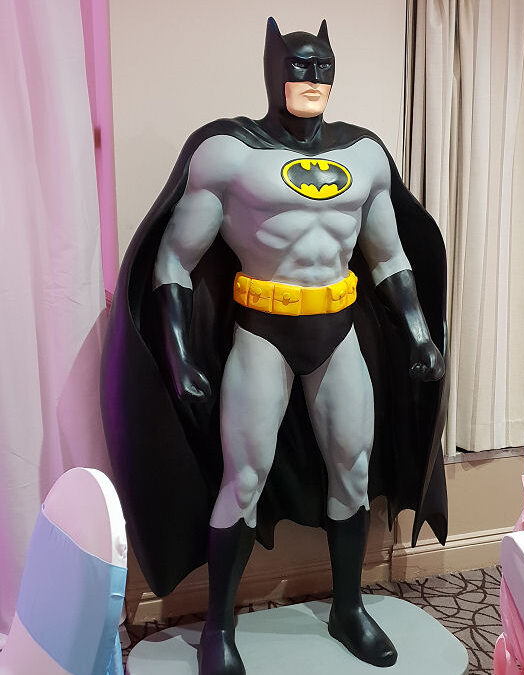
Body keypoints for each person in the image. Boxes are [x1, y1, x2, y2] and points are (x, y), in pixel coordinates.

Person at [101, 17, 447, 675]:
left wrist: (419, 334)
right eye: (299, 65)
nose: (312, 78)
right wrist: (177, 354)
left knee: (353, 467)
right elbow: (173, 261)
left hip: (337, 328)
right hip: (263, 332)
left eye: (322, 66)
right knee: (243, 479)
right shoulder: (229, 154)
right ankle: (219, 627)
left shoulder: (364, 156)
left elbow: (389, 256)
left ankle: (348, 608)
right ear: (273, 69)